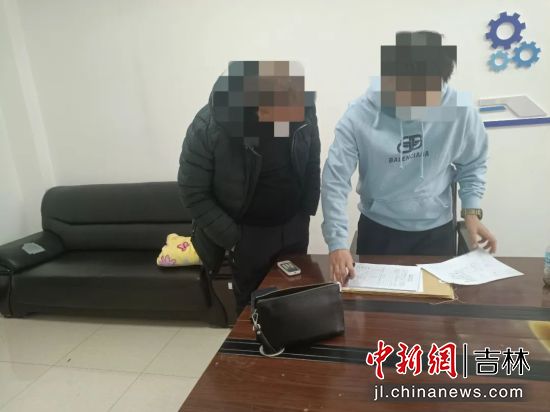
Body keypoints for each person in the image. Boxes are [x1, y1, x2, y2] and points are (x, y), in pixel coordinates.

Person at [321, 31, 497, 284]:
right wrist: (337, 243)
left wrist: (471, 211)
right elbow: (335, 180)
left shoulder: (460, 109)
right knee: (378, 306)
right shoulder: (360, 115)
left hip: (437, 231)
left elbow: (472, 163)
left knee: (436, 305)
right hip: (379, 229)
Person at [178, 60, 320, 312]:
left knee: (295, 298)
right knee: (253, 307)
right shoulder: (209, 127)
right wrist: (233, 239)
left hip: (295, 226)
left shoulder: (302, 108)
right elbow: (193, 192)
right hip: (247, 236)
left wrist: (307, 209)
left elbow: (312, 158)